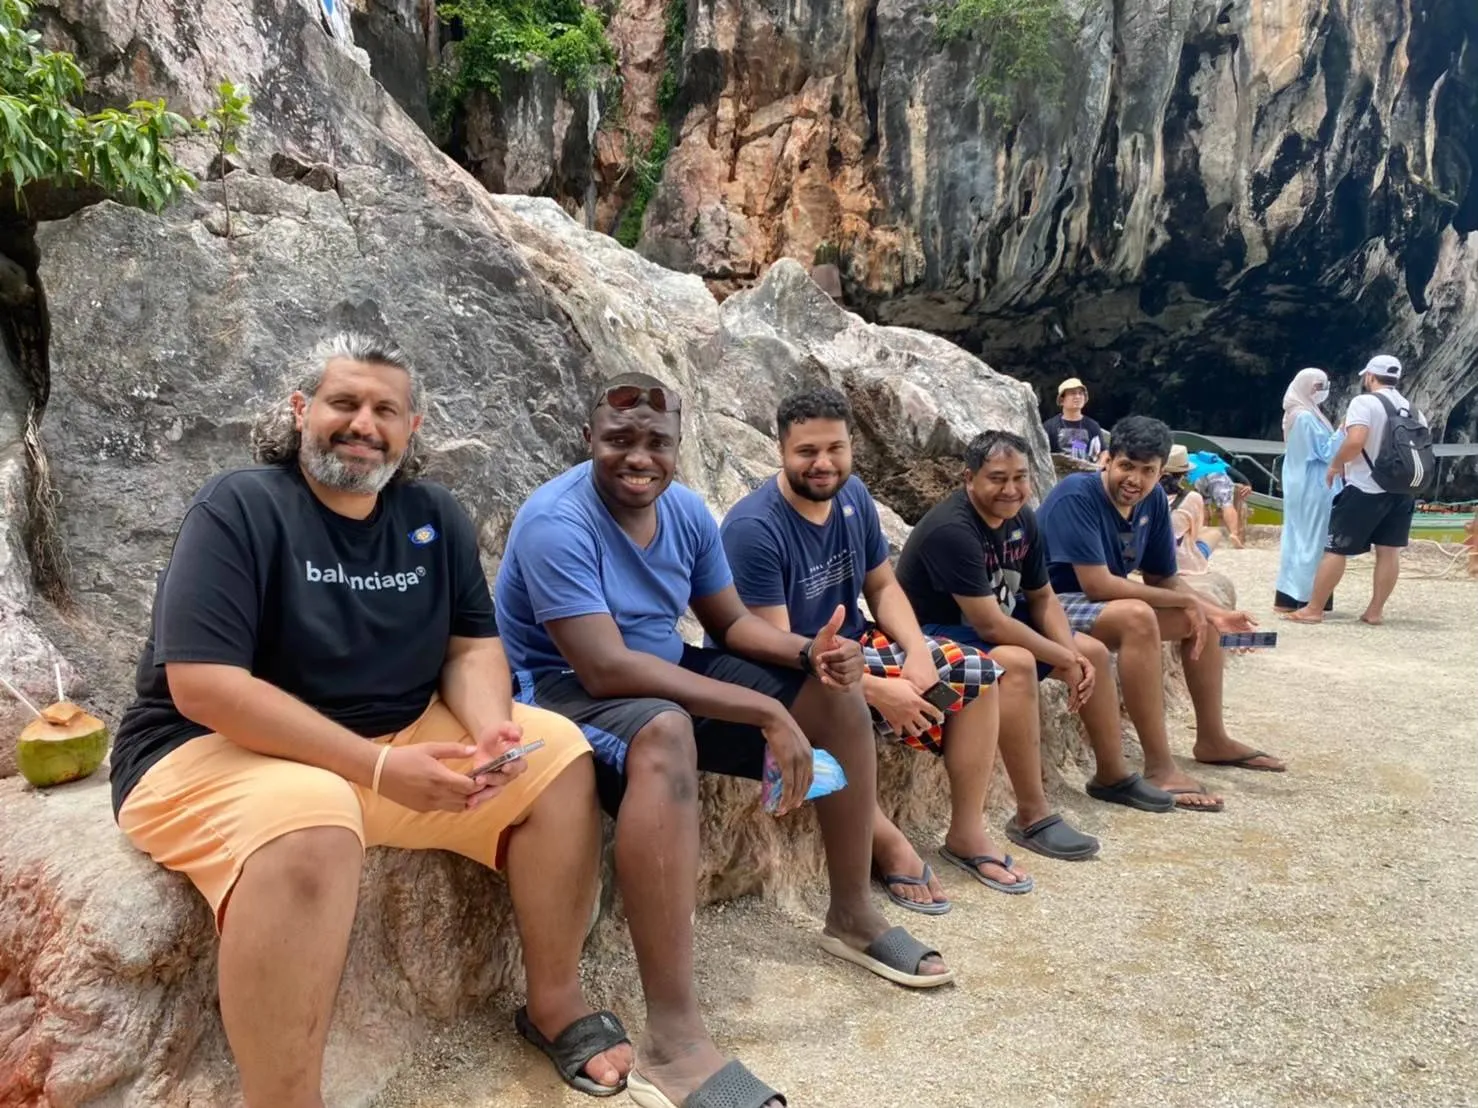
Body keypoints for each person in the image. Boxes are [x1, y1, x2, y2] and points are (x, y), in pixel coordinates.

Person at [108, 333, 629, 1108]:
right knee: (313, 818)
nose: (363, 424)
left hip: (384, 749)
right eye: (343, 403)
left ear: (411, 429)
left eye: (386, 410)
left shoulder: (432, 515)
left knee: (556, 754)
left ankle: (555, 1001)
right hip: (210, 752)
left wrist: (490, 731)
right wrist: (378, 768)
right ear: (300, 411)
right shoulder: (242, 506)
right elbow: (205, 687)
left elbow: (471, 647)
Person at [495, 374, 953, 1108]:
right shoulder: (558, 520)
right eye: (619, 440)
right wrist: (763, 714)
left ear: (679, 446)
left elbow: (731, 624)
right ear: (589, 441)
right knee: (666, 731)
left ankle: (853, 916)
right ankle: (674, 1039)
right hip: (559, 691)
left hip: (660, 669)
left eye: (657, 442)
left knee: (837, 692)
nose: (638, 457)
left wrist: (811, 655)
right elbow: (603, 666)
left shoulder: (682, 512)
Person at [719, 387, 1029, 913]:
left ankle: (967, 830)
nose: (823, 463)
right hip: (789, 667)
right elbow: (777, 649)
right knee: (835, 710)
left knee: (978, 673)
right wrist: (877, 689)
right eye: (807, 451)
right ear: (781, 450)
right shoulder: (755, 528)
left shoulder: (853, 497)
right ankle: (886, 843)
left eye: (835, 449)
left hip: (855, 645)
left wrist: (914, 649)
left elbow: (882, 586)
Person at [898, 429, 1203, 828]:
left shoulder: (1022, 518)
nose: (1011, 489)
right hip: (933, 632)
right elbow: (988, 624)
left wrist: (1073, 655)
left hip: (989, 620)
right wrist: (1060, 655)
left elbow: (1042, 597)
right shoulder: (953, 530)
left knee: (1091, 651)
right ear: (968, 478)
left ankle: (1111, 774)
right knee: (1018, 663)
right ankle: (1031, 813)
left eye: (1020, 477)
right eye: (997, 478)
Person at [1037, 415, 1288, 788]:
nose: (1134, 480)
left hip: (1095, 604)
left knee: (1199, 621)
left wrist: (1216, 613)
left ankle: (1212, 738)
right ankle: (1159, 766)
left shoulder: (1152, 501)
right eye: (1125, 466)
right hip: (1049, 603)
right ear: (1106, 459)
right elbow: (1099, 585)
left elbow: (1163, 578)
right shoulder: (1077, 495)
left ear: (1160, 473)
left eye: (1147, 471)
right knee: (1139, 617)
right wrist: (1190, 604)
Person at [1287, 355, 1424, 625]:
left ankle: (1313, 610)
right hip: (1402, 489)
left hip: (1366, 488)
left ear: (1370, 376)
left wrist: (1336, 464)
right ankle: (1375, 611)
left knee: (1336, 548)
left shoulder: (1365, 402)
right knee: (1389, 551)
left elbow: (1356, 439)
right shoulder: (1413, 408)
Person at [1274, 368, 1343, 612]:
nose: (1322, 392)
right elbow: (1324, 452)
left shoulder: (1301, 413)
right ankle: (1306, 597)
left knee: (1298, 538)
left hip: (1302, 483)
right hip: (1313, 484)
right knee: (1312, 541)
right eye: (1318, 386)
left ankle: (1289, 597)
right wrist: (1344, 430)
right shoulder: (1304, 417)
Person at [1159, 445, 1218, 574]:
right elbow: (1194, 535)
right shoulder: (1192, 498)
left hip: (1145, 559)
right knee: (1214, 533)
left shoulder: (1145, 492)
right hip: (1174, 562)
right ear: (1184, 474)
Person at [1185, 449, 1253, 548]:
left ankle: (1202, 531)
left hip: (1198, 478)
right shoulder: (1214, 460)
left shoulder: (1187, 458)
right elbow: (1232, 471)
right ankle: (1234, 534)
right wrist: (1247, 483)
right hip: (1217, 476)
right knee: (1226, 504)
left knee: (1203, 504)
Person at [1042, 377, 1106, 463]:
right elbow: (1042, 454)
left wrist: (1098, 467)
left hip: (1087, 474)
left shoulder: (1093, 426)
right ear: (1062, 400)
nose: (1078, 397)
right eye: (1073, 393)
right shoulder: (1049, 426)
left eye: (1080, 393)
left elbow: (1103, 452)